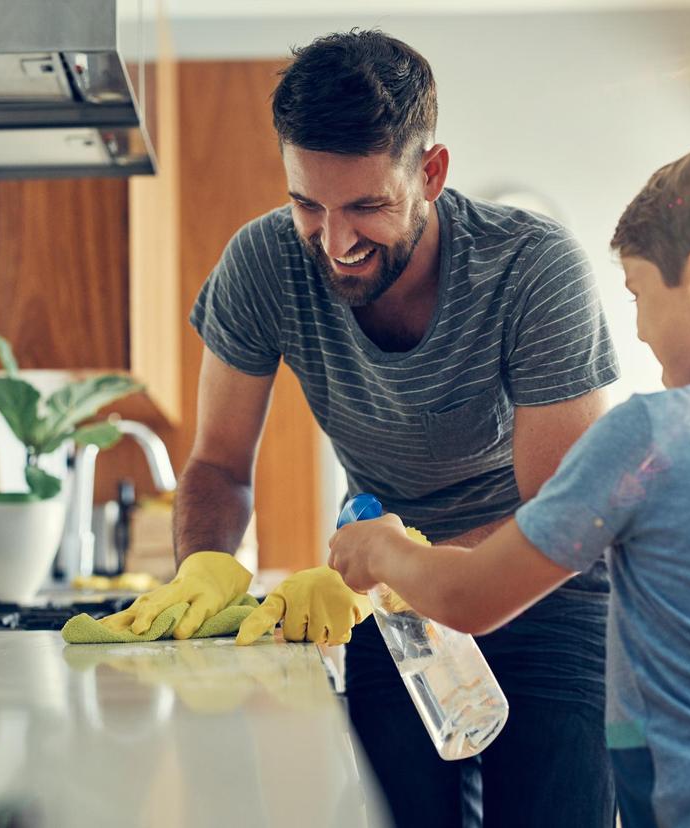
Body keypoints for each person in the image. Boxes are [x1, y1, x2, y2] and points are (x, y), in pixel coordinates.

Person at [102, 29, 619, 827]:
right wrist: (203, 573)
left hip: (538, 599)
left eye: (367, 207)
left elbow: (560, 520)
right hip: (391, 606)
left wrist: (409, 560)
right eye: (308, 204)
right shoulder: (264, 264)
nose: (336, 243)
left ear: (431, 174)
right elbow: (219, 464)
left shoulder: (533, 269)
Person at [329, 125, 690, 828]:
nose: (639, 329)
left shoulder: (653, 436)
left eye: (640, 294)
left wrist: (380, 548)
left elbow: (470, 598)